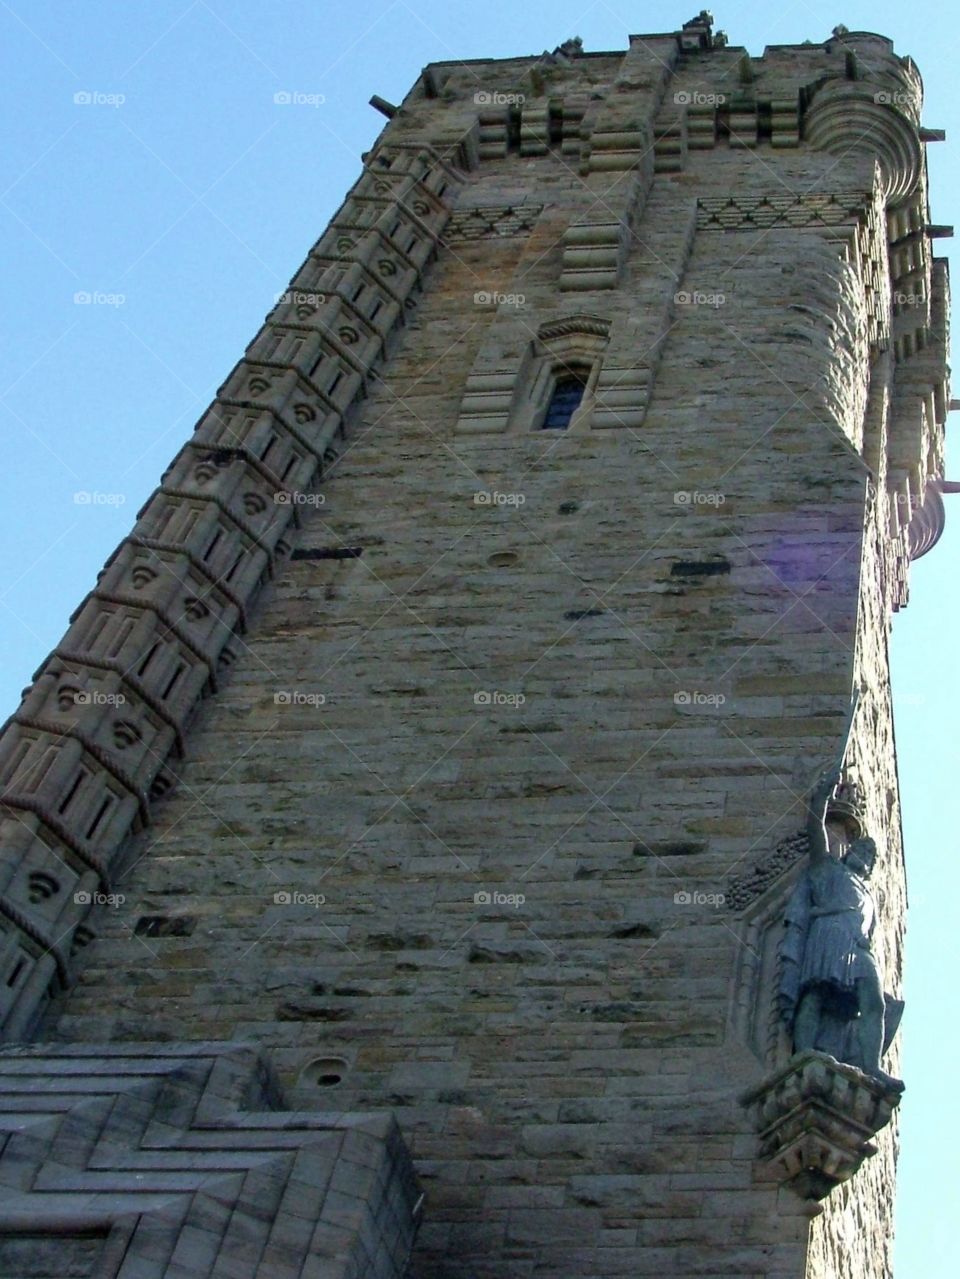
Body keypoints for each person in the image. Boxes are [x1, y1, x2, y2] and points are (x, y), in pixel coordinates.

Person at [779, 764, 901, 1086]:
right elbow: (816, 832)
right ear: (849, 853)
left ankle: (871, 1066)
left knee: (873, 1001)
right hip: (828, 932)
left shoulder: (871, 898)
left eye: (869, 856)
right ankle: (804, 1052)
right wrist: (821, 799)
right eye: (860, 850)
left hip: (858, 947)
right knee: (816, 991)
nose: (864, 856)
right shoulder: (829, 870)